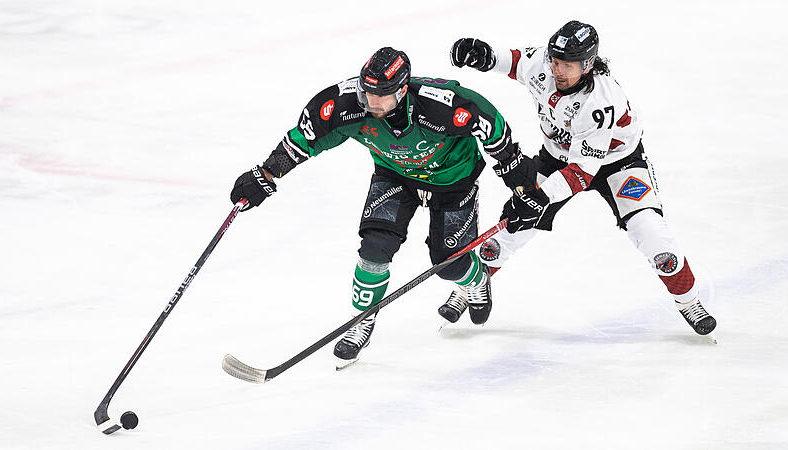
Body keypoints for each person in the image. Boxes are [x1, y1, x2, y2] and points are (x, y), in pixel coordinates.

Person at [230, 47, 522, 368]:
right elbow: (306, 137)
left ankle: (476, 281)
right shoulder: (344, 105)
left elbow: (495, 129)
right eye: (366, 91)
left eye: (381, 95)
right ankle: (362, 321)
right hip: (394, 176)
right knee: (374, 248)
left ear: (402, 90)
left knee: (448, 264)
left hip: (453, 178)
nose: (371, 102)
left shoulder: (440, 105)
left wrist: (519, 181)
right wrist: (267, 173)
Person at [442, 21, 717, 339]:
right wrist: (482, 54)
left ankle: (689, 301)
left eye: (567, 65)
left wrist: (540, 197)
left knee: (650, 232)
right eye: (556, 61)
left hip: (619, 163)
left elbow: (581, 173)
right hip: (556, 157)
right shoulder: (545, 63)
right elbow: (516, 62)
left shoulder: (599, 101)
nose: (558, 70)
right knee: (513, 227)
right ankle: (472, 286)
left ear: (587, 65)